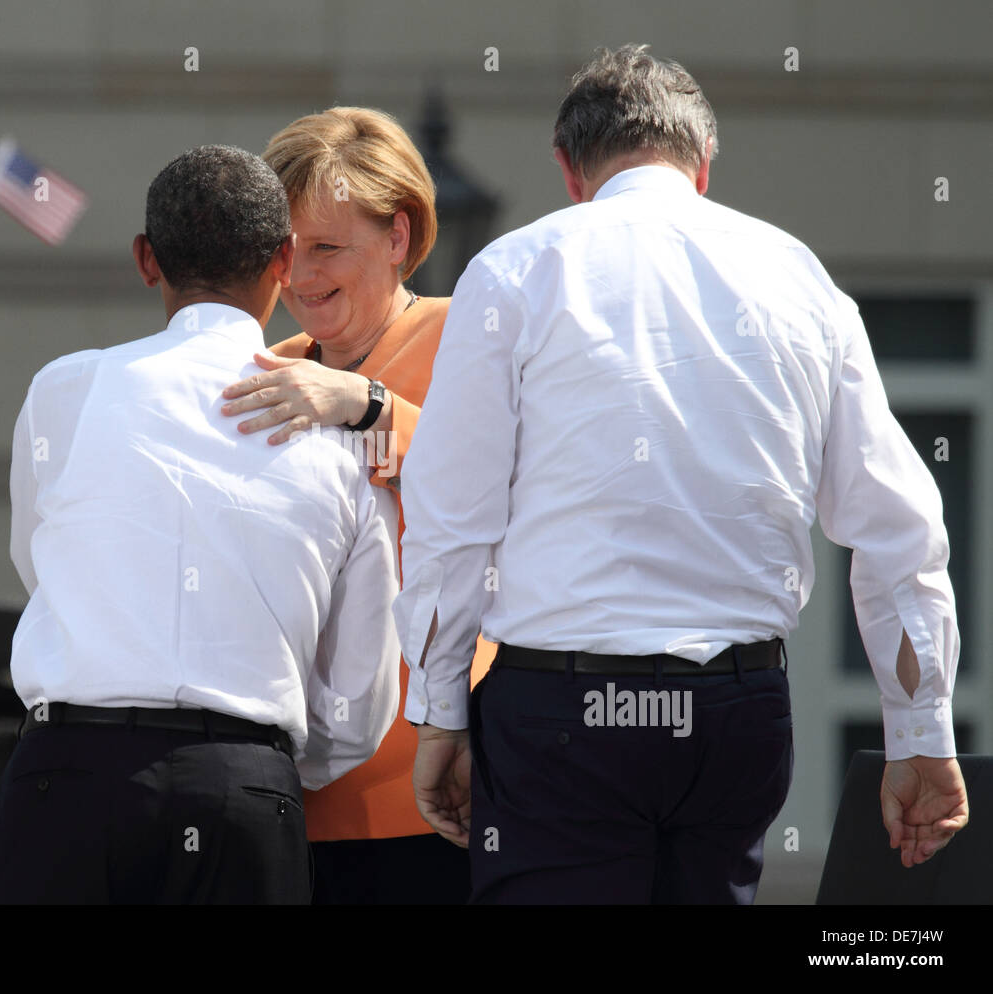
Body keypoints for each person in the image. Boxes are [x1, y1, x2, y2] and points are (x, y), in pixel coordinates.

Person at [396, 44, 968, 904]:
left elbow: (452, 518)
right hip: (736, 717)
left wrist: (439, 713)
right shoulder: (801, 278)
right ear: (703, 165)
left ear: (568, 170)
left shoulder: (516, 269)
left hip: (564, 714)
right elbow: (898, 527)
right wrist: (921, 735)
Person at [0, 144, 401, 905]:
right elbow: (358, 707)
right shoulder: (341, 441)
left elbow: (43, 564)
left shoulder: (64, 390)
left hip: (67, 782)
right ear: (284, 259)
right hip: (243, 792)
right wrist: (256, 757)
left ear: (146, 259)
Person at [219, 106, 492, 904]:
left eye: (328, 248)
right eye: (286, 251)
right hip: (283, 790)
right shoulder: (260, 369)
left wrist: (367, 405)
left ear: (400, 238)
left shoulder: (468, 337)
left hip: (437, 786)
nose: (301, 276)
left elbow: (501, 499)